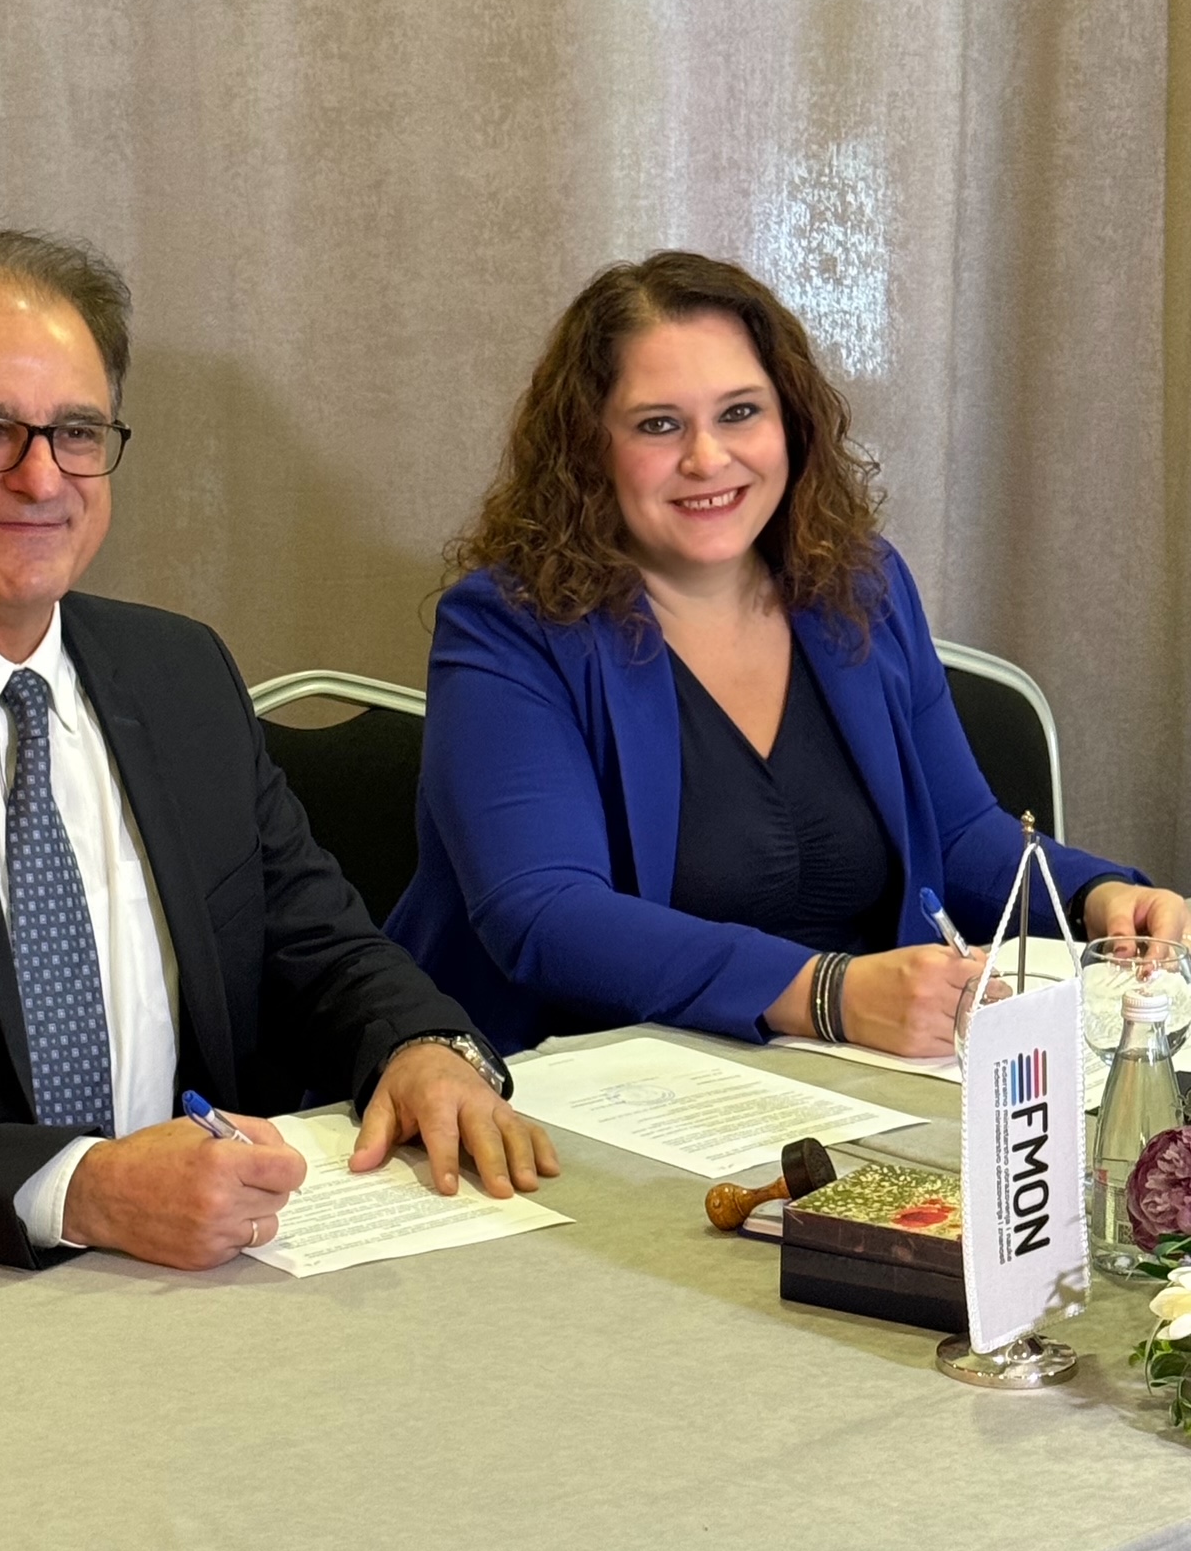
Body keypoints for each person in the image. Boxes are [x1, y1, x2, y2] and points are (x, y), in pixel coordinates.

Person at [0, 222, 557, 1271]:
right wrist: (83, 1189)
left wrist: (423, 1046)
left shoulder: (178, 673)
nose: (42, 478)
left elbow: (321, 946)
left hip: (195, 1276)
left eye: (78, 432)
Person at [386, 251, 1186, 1057]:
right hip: (586, 1081)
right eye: (659, 424)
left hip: (853, 1080)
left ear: (791, 423)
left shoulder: (861, 584)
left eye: (740, 412)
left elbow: (954, 833)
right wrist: (829, 993)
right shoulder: (509, 625)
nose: (707, 458)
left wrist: (1095, 897)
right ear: (588, 447)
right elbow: (544, 913)